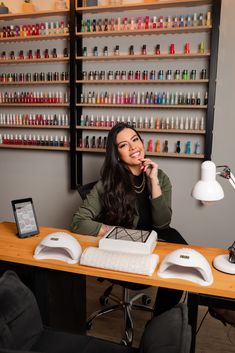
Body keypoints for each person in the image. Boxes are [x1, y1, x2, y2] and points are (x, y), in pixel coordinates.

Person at [71, 122, 187, 316]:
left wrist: (153, 181)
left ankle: (157, 323)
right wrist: (118, 234)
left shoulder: (161, 177)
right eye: (124, 145)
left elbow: (162, 224)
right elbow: (78, 221)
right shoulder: (107, 184)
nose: (133, 147)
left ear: (142, 142)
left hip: (152, 242)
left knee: (180, 264)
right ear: (117, 154)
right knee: (169, 269)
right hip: (125, 250)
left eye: (135, 140)